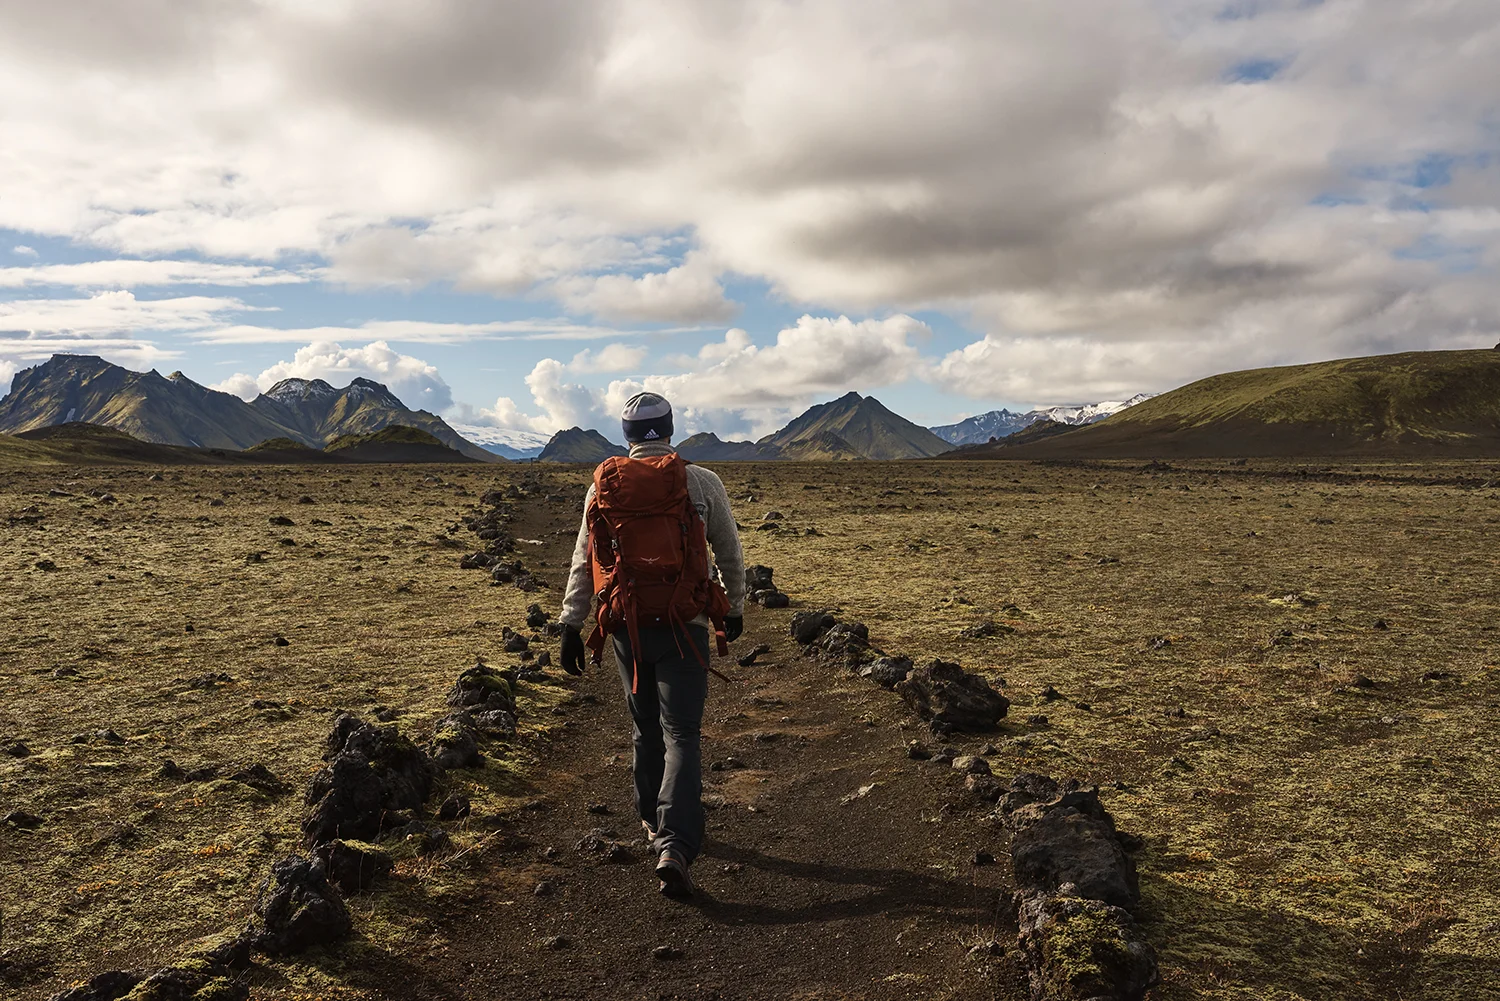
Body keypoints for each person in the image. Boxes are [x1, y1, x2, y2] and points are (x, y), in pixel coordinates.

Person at [558, 392, 745, 897]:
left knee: (645, 729)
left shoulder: (602, 486)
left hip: (627, 626)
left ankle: (651, 822)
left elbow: (583, 559)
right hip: (689, 624)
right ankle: (676, 844)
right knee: (682, 731)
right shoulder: (702, 481)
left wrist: (570, 624)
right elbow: (728, 549)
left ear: (625, 434)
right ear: (669, 427)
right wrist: (736, 608)